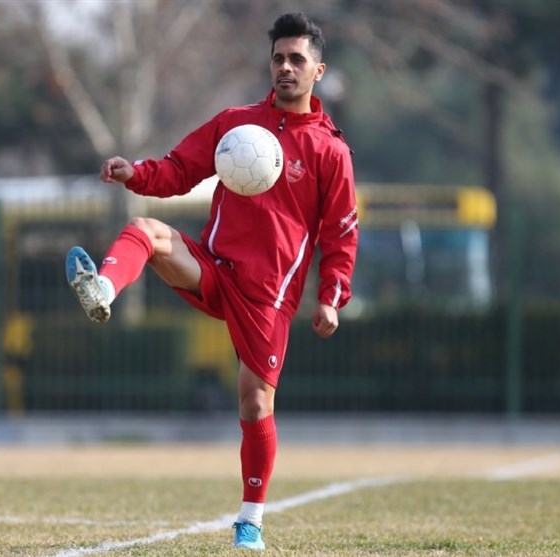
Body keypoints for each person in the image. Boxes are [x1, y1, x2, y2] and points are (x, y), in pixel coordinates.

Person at [65, 12, 357, 550]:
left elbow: (341, 236)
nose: (285, 68)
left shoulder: (331, 152)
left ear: (319, 69)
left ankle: (251, 520)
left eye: (297, 59)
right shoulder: (236, 123)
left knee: (254, 404)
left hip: (268, 295)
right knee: (144, 230)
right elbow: (180, 167)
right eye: (278, 58)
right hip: (215, 268)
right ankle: (102, 290)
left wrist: (332, 298)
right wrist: (137, 172)